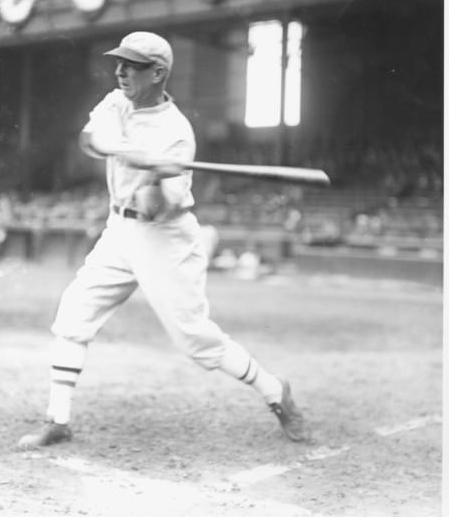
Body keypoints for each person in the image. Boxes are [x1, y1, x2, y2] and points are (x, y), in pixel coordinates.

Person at [17, 31, 306, 449]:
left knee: (196, 341)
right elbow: (90, 140)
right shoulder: (117, 101)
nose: (120, 70)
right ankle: (58, 420)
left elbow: (156, 208)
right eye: (120, 62)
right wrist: (133, 153)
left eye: (132, 65)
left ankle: (276, 392)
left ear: (158, 73)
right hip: (118, 230)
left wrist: (156, 176)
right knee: (74, 315)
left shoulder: (177, 135)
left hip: (164, 238)